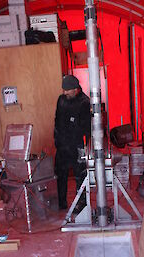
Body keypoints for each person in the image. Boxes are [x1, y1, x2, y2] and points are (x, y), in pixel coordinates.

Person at [54, 75, 91, 211]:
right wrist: (57, 140)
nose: (64, 93)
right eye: (63, 90)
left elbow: (86, 128)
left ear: (75, 89)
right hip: (62, 146)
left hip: (77, 146)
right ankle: (61, 203)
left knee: (80, 176)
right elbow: (57, 120)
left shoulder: (84, 102)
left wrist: (82, 146)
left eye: (67, 90)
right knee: (60, 174)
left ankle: (81, 204)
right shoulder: (61, 100)